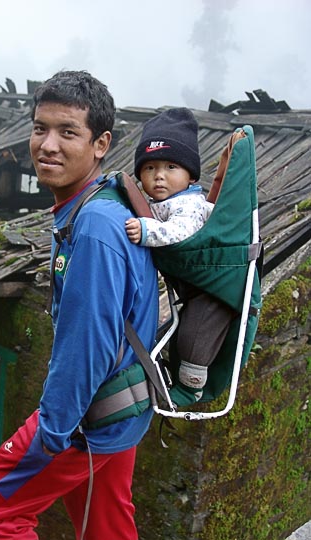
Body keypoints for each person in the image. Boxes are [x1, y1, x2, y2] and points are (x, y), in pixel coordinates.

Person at [0, 70, 158, 540]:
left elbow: (87, 343)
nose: (48, 145)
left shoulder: (95, 228)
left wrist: (51, 435)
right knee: (104, 528)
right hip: (120, 412)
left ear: (101, 143)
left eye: (68, 132)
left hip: (86, 418)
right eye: (40, 128)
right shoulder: (99, 205)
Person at [125, 108, 234, 407]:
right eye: (149, 168)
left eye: (171, 166)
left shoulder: (190, 204)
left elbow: (180, 232)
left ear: (190, 175)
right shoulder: (165, 200)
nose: (159, 176)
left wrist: (147, 230)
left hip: (213, 289)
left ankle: (191, 389)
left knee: (193, 340)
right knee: (178, 335)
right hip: (191, 288)